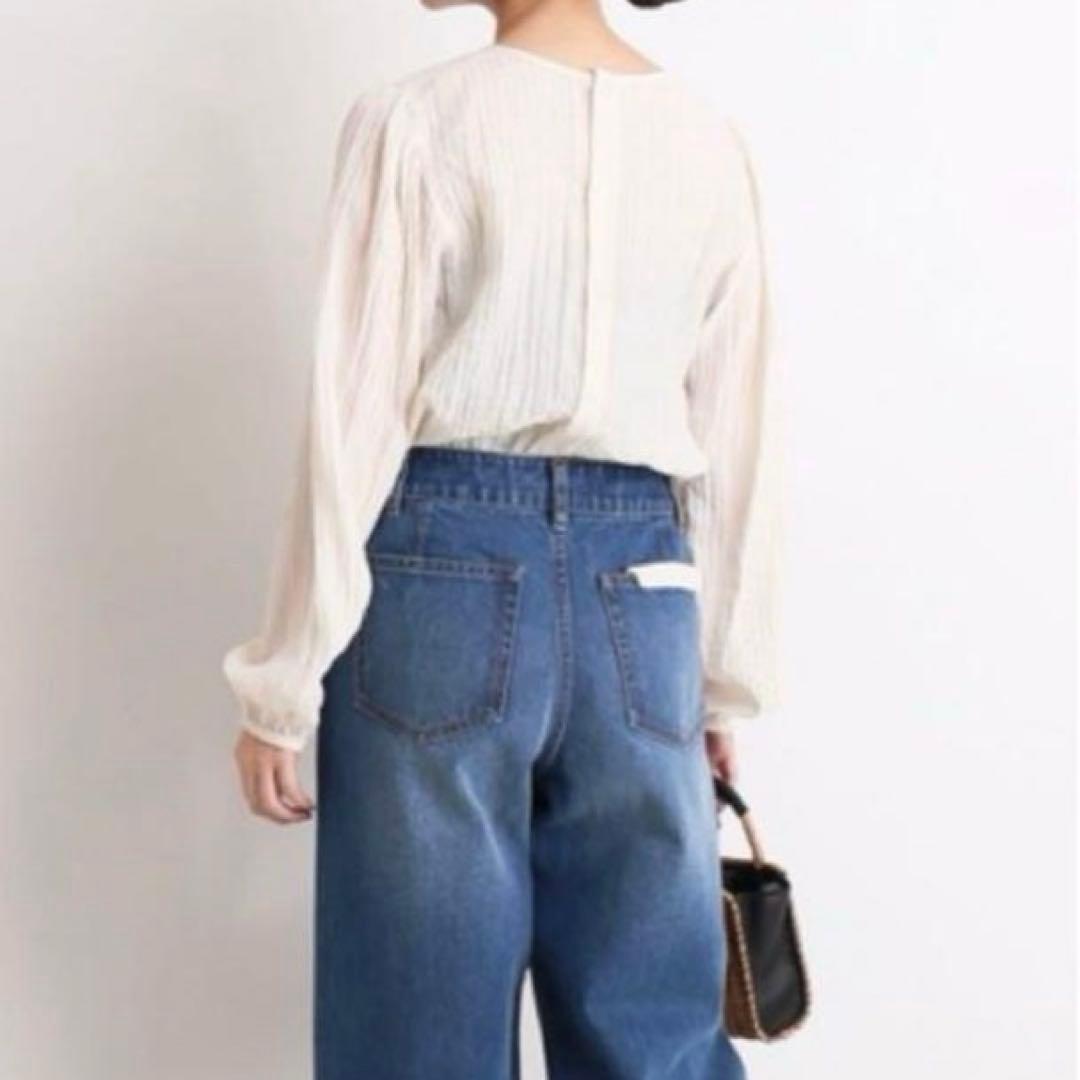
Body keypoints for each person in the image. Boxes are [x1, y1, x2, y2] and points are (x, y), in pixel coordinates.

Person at [223, 0, 783, 1076]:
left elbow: (354, 416)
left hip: (441, 569)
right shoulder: (710, 141)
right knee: (652, 1022)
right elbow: (737, 425)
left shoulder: (416, 119)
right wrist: (722, 681)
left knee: (417, 1017)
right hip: (645, 584)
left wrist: (280, 684)